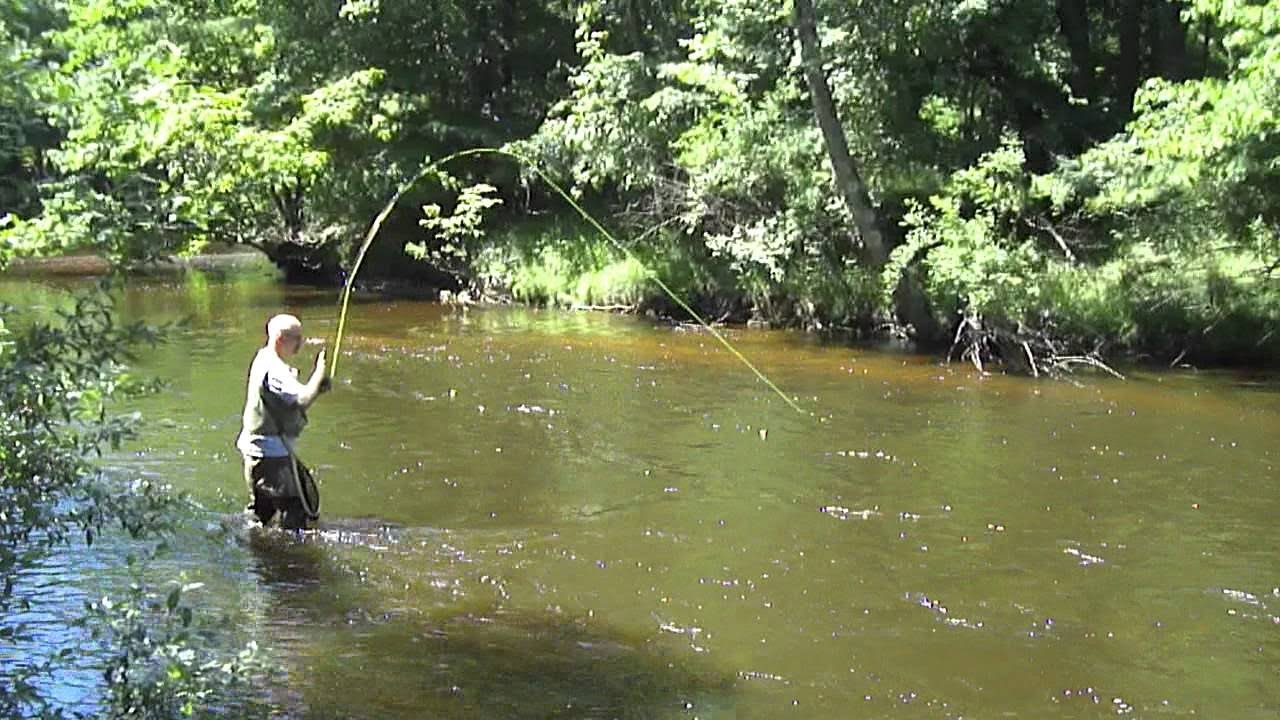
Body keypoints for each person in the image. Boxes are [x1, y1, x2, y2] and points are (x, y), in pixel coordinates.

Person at [237, 313, 330, 529]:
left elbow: (290, 401)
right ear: (280, 339)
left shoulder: (263, 358)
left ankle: (256, 552)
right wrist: (320, 371)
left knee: (262, 513)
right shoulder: (275, 370)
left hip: (259, 452)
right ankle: (292, 559)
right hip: (270, 454)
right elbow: (303, 400)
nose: (301, 343)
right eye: (296, 338)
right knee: (295, 508)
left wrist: (318, 388)